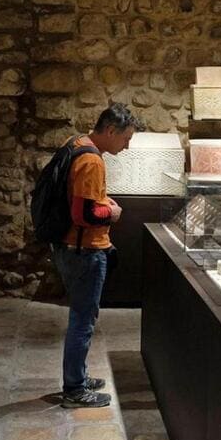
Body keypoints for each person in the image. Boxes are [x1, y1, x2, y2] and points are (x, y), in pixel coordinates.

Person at [52, 103, 142, 408]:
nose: (127, 146)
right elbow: (85, 213)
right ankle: (75, 389)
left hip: (70, 246)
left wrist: (102, 200)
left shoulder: (76, 143)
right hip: (86, 250)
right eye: (126, 139)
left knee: (82, 316)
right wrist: (112, 212)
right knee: (82, 319)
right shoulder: (91, 161)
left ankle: (78, 375)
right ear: (111, 131)